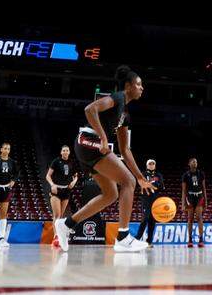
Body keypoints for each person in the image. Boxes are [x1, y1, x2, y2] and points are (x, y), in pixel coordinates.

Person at [54, 66, 154, 253]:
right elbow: (90, 109)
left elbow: (125, 150)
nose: (142, 88)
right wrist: (103, 137)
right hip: (87, 141)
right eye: (139, 84)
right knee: (127, 182)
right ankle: (123, 237)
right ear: (128, 85)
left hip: (88, 148)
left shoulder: (126, 115)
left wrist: (141, 177)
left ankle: (67, 224)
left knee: (111, 194)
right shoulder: (117, 98)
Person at [46, 145, 79, 248]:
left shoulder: (71, 162)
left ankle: (59, 237)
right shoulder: (56, 161)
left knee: (61, 215)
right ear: (61, 152)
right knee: (57, 214)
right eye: (63, 150)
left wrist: (74, 181)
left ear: (69, 152)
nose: (65, 152)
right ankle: (56, 237)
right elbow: (47, 176)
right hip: (56, 190)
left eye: (67, 150)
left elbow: (76, 176)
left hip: (66, 191)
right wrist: (52, 185)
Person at [136, 159, 163, 246]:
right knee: (145, 219)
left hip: (155, 201)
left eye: (153, 164)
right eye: (150, 164)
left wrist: (151, 185)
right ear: (147, 165)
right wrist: (153, 186)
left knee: (152, 221)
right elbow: (141, 184)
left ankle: (149, 241)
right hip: (146, 200)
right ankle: (137, 238)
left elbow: (161, 186)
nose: (151, 165)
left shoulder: (158, 175)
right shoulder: (143, 174)